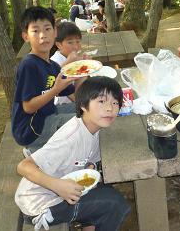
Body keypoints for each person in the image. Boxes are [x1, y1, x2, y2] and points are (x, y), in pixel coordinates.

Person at [15, 76, 131, 231]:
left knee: (102, 188)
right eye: (102, 101)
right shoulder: (70, 139)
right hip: (41, 203)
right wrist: (58, 186)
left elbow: (89, 160)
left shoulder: (93, 127)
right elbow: (24, 166)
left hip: (60, 190)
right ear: (83, 105)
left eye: (115, 102)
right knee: (115, 204)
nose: (110, 108)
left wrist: (90, 166)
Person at [12, 6, 82, 154]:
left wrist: (81, 70)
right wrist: (55, 90)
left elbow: (77, 97)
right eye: (35, 31)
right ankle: (37, 149)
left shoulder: (53, 65)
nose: (43, 35)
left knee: (88, 109)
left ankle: (47, 148)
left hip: (49, 113)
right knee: (85, 123)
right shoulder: (29, 65)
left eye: (47, 29)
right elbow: (28, 107)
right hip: (31, 128)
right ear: (26, 37)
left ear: (55, 32)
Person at [51, 22, 83, 105]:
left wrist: (84, 67)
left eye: (78, 41)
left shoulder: (75, 57)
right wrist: (79, 104)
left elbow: (78, 83)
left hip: (76, 96)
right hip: (61, 105)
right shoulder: (55, 61)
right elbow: (52, 78)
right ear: (59, 45)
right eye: (70, 42)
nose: (76, 46)